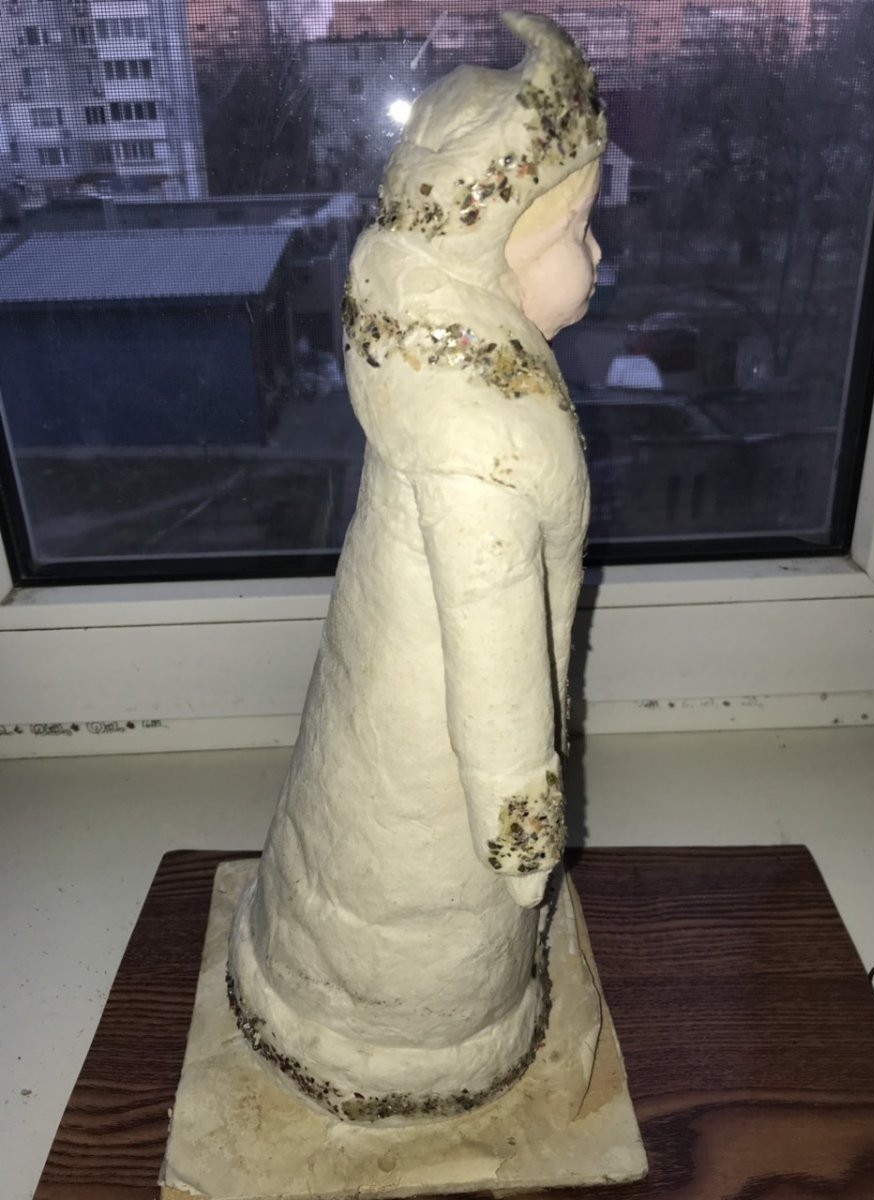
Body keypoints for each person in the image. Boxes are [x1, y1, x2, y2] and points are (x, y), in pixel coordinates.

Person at [227, 10, 607, 1122]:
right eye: (575, 234)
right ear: (489, 249)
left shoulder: (432, 363)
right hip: (440, 760)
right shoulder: (482, 447)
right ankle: (407, 1040)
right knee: (413, 907)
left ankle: (317, 975)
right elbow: (495, 665)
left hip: (383, 687)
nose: (597, 258)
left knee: (347, 824)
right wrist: (522, 836)